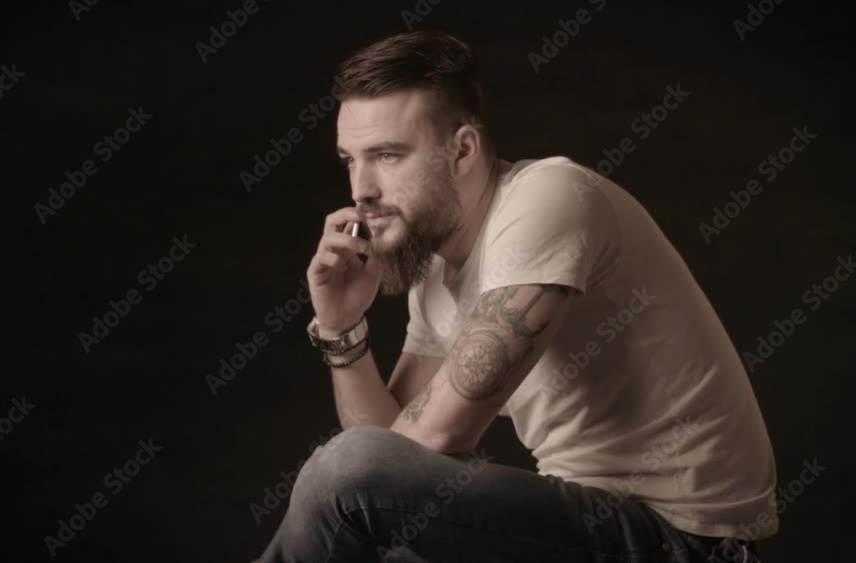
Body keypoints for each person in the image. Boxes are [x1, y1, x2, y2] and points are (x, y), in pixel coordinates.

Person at [255, 30, 777, 563]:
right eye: (350, 159)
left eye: (387, 155)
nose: (360, 187)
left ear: (462, 150)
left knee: (342, 469)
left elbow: (416, 445)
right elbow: (396, 460)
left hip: (685, 541)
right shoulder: (437, 271)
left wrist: (361, 473)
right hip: (588, 524)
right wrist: (343, 330)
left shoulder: (547, 198)